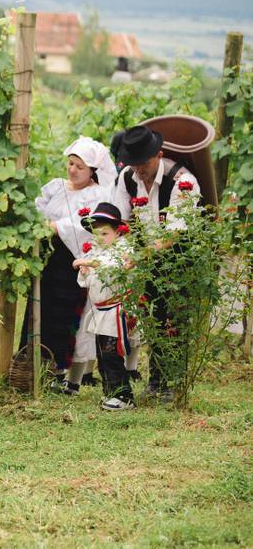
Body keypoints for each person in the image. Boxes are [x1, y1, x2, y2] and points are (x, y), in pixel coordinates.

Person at [112, 124, 201, 401]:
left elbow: (175, 234)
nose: (138, 168)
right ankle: (156, 381)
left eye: (143, 163)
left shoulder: (182, 180)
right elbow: (120, 221)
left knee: (175, 319)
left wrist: (139, 256)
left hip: (179, 257)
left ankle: (173, 382)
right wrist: (124, 251)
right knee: (152, 317)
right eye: (133, 163)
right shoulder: (127, 178)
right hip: (145, 258)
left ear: (158, 155)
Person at [19, 137, 116, 389]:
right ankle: (34, 366)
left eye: (80, 167)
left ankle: (62, 373)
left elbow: (85, 226)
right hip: (47, 259)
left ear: (93, 171)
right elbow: (37, 210)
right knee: (42, 312)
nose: (72, 170)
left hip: (72, 261)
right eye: (70, 163)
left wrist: (54, 226)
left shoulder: (97, 194)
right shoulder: (56, 187)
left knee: (67, 317)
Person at [73, 203, 137, 410]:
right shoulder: (95, 251)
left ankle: (124, 396)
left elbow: (114, 267)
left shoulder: (124, 250)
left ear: (117, 231)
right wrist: (84, 272)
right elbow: (86, 281)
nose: (100, 237)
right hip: (100, 310)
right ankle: (111, 392)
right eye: (96, 233)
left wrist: (89, 264)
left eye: (105, 232)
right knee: (102, 353)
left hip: (115, 310)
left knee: (112, 353)